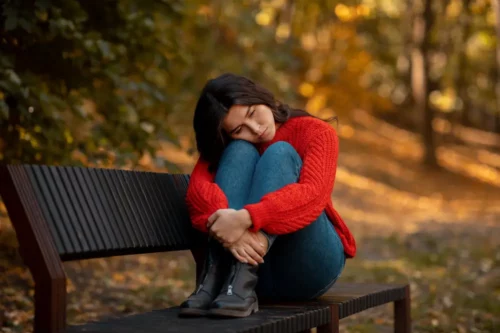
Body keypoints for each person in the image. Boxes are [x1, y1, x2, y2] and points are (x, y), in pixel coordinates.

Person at [179, 73, 356, 318]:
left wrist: (246, 219)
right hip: (237, 284)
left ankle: (240, 275)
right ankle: (224, 277)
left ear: (261, 97)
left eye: (252, 113)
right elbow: (197, 192)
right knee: (239, 151)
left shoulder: (316, 132)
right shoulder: (230, 144)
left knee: (280, 153)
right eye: (239, 128)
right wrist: (231, 235)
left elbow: (313, 195)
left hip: (308, 265)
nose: (256, 129)